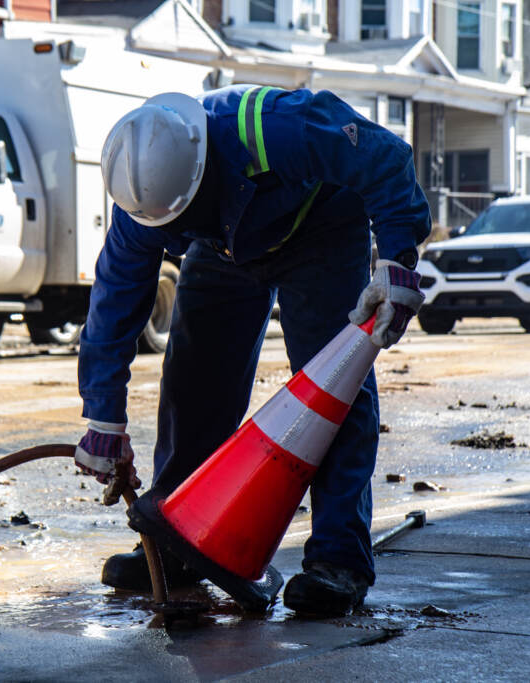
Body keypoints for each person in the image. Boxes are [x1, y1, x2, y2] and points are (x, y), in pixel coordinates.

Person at [74, 85, 430, 616]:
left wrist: (396, 261)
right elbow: (113, 302)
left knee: (334, 391)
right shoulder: (143, 199)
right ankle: (180, 538)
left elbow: (385, 160)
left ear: (202, 174)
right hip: (221, 244)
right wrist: (103, 418)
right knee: (193, 383)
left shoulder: (280, 127)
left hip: (320, 229)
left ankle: (338, 562)